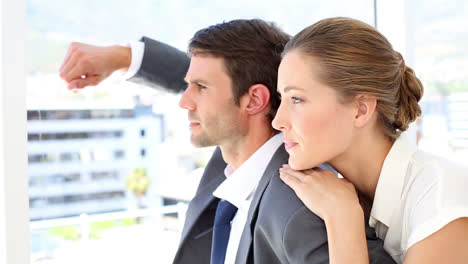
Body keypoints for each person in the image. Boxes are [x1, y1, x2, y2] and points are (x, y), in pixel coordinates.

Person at [59, 19, 396, 264]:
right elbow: (223, 76)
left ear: (254, 102)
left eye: (200, 88)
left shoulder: (297, 205)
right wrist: (123, 57)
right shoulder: (232, 160)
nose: (184, 100)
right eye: (189, 85)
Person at [273, 17, 468, 263]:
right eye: (282, 99)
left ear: (361, 110)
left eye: (297, 99)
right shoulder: (349, 195)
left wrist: (342, 219)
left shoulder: (441, 200)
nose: (277, 121)